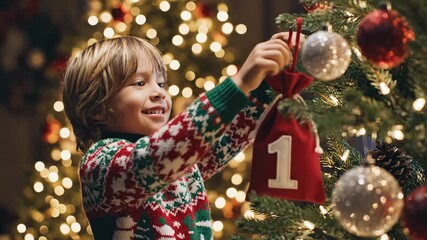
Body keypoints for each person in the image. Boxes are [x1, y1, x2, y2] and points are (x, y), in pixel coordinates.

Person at [62, 32, 293, 239]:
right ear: (97, 109)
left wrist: (271, 83)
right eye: (140, 83)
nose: (159, 92)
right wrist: (240, 83)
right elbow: (153, 160)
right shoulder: (101, 162)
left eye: (161, 83)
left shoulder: (180, 162)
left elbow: (225, 138)